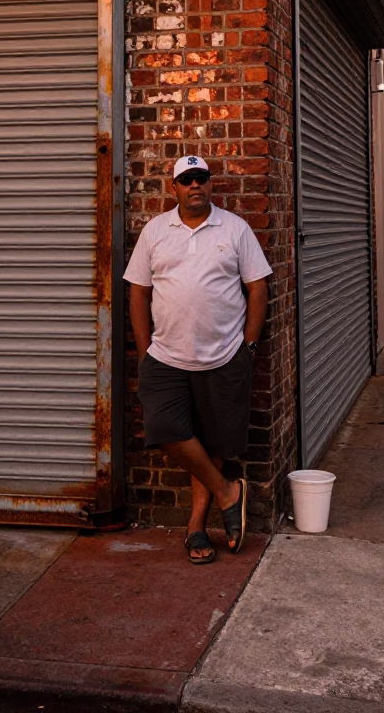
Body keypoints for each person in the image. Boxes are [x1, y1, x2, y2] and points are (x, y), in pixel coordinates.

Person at [125, 155, 271, 564]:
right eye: (186, 180)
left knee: (214, 443)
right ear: (174, 187)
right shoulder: (156, 231)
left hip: (225, 355)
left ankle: (196, 529)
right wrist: (144, 347)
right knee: (163, 426)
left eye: (201, 179)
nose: (195, 186)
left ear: (210, 184)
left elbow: (257, 288)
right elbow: (138, 290)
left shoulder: (235, 228)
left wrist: (250, 346)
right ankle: (229, 491)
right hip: (166, 356)